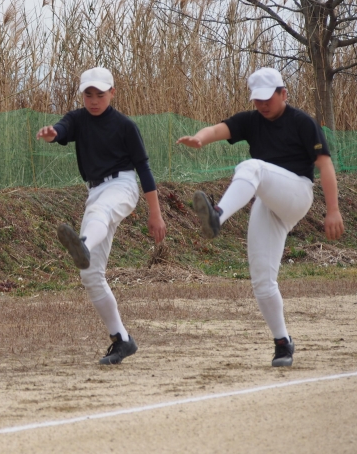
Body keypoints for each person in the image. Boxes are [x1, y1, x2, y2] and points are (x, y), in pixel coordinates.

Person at [177, 67, 344, 367]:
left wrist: (333, 210)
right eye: (258, 99)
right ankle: (283, 343)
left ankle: (217, 216)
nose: (263, 105)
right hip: (269, 201)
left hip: (297, 193)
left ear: (283, 93)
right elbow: (217, 129)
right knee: (262, 281)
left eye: (268, 98)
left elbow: (325, 165)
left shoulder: (301, 122)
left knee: (252, 167)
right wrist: (199, 139)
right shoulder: (251, 120)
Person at [36, 67, 167, 365]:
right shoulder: (78, 119)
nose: (94, 100)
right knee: (91, 274)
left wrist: (155, 213)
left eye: (100, 94)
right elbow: (62, 129)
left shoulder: (125, 126)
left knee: (101, 212)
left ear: (112, 93)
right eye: (88, 94)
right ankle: (122, 339)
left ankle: (83, 244)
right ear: (82, 95)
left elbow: (144, 170)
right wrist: (53, 134)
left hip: (123, 186)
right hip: (95, 191)